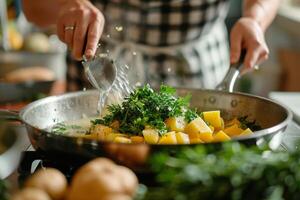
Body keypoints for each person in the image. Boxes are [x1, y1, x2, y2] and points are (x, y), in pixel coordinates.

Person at [22, 0, 279, 91]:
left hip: (199, 75)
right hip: (99, 73)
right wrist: (66, 3)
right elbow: (34, 8)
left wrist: (254, 17)